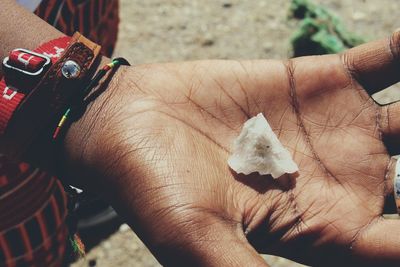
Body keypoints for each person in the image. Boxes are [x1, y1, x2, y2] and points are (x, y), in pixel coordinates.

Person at [2, 0, 400, 266]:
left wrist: (97, 90)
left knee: (93, 41)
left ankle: (87, 181)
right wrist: (97, 108)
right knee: (29, 230)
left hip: (64, 18)